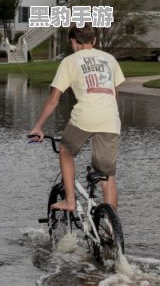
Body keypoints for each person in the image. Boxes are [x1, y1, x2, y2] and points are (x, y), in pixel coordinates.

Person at [28, 23, 125, 211]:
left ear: (73, 41)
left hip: (85, 116)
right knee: (107, 176)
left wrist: (38, 126)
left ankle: (70, 201)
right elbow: (115, 93)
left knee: (65, 150)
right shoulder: (110, 59)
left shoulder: (69, 62)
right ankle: (113, 230)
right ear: (94, 40)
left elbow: (53, 100)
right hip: (110, 118)